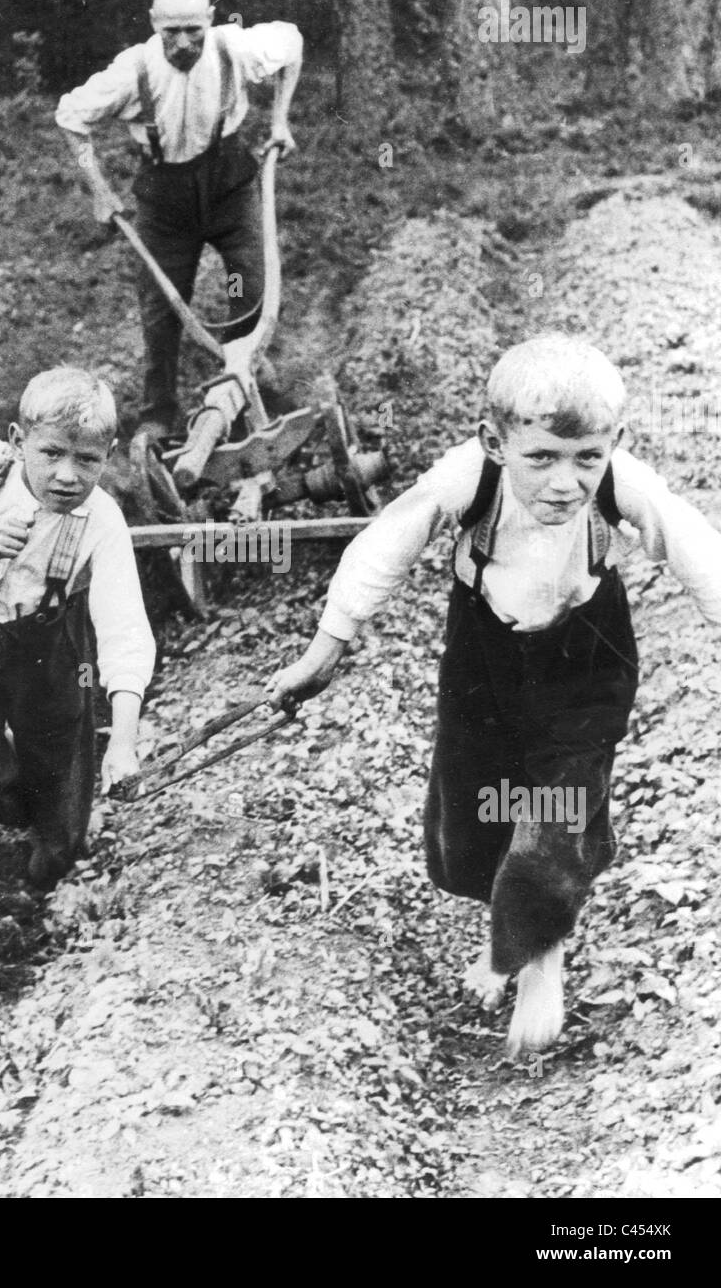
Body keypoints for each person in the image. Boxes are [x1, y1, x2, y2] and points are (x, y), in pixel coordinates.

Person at [265, 335, 721, 1056]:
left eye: (586, 459)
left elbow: (696, 546)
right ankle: (507, 936)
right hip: (484, 658)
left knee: (554, 813)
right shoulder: (466, 477)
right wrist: (327, 647)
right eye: (541, 457)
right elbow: (387, 543)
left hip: (582, 665)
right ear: (496, 441)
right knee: (474, 824)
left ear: (614, 445)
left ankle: (541, 963)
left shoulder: (620, 482)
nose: (566, 482)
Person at [0, 368, 156, 889]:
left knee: (61, 775)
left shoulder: (102, 522)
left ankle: (49, 876)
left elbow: (125, 631)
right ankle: (25, 811)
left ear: (107, 455)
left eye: (87, 460)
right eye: (52, 453)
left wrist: (125, 741)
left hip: (47, 654)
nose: (67, 475)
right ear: (19, 443)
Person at [56, 0, 303, 438]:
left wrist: (280, 121)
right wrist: (99, 190)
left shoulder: (234, 48)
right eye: (172, 31)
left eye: (194, 29)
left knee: (246, 292)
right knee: (162, 310)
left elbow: (292, 43)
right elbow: (71, 118)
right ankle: (159, 417)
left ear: (211, 19)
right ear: (154, 24)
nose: (185, 42)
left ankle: (239, 397)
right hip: (165, 199)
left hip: (228, 183)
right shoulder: (134, 70)